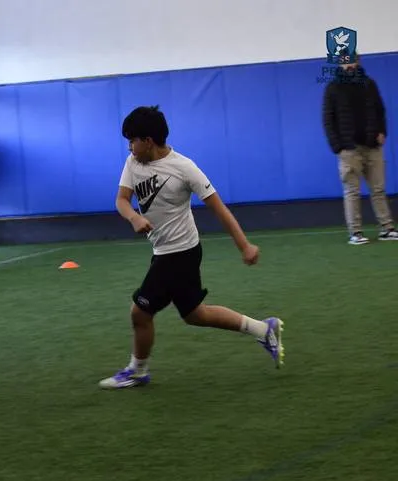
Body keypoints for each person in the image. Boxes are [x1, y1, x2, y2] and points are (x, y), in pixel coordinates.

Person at [99, 106, 284, 390]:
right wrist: (134, 217)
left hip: (180, 254)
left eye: (132, 140)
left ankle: (137, 370)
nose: (129, 147)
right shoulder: (132, 163)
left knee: (140, 313)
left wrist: (244, 246)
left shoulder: (185, 168)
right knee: (195, 314)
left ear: (148, 140)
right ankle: (263, 329)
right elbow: (121, 200)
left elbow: (219, 209)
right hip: (163, 252)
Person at [322, 54, 398, 245]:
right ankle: (355, 233)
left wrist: (382, 131)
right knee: (352, 191)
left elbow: (380, 110)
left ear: (358, 61)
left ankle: (387, 229)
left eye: (352, 60)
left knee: (378, 189)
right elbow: (328, 119)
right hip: (348, 149)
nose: (349, 64)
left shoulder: (369, 84)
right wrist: (337, 146)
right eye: (345, 61)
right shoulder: (333, 88)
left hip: (372, 145)